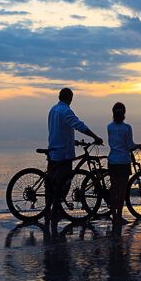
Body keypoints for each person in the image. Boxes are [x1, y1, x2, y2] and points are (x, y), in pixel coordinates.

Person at [46, 87, 103, 222]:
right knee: (65, 182)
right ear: (69, 98)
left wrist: (74, 141)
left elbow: (59, 130)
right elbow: (79, 125)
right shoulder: (66, 111)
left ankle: (50, 210)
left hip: (53, 149)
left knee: (51, 182)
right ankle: (56, 211)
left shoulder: (53, 110)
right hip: (63, 153)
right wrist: (95, 137)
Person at [107, 102, 141, 225]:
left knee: (114, 189)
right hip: (123, 161)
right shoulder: (127, 128)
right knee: (122, 190)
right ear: (124, 113)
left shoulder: (109, 127)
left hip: (112, 161)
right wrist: (139, 145)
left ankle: (114, 215)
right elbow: (130, 146)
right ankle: (118, 216)